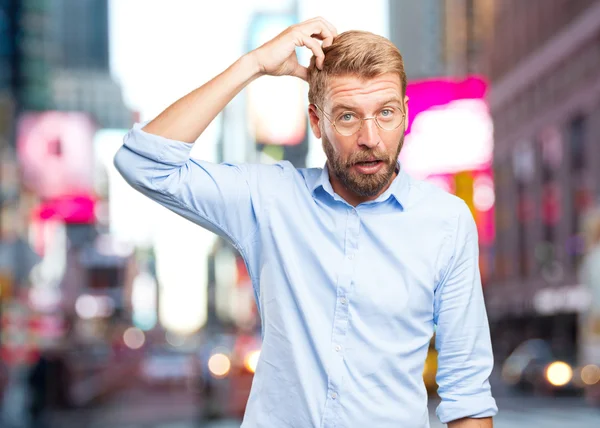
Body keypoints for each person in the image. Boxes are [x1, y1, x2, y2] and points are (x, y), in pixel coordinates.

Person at [115, 17, 497, 428]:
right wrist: (254, 65)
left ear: (404, 113)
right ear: (317, 122)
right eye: (348, 117)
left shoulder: (446, 221)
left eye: (385, 112)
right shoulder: (269, 199)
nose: (371, 137)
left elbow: (467, 392)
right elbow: (142, 163)